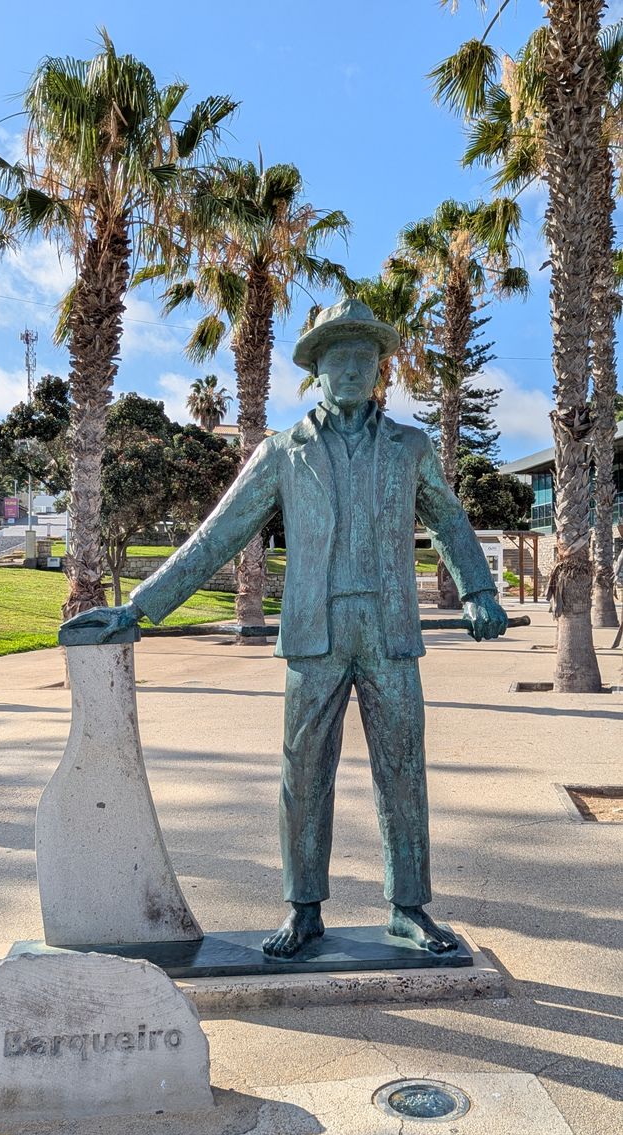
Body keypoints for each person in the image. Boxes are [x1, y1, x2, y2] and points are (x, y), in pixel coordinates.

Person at [64, 300, 507, 958]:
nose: (353, 371)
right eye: (339, 360)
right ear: (317, 372)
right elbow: (219, 533)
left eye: (365, 360)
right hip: (314, 632)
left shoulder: (409, 447)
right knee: (303, 775)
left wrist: (477, 589)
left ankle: (408, 907)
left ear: (379, 371)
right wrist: (140, 608)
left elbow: (446, 519)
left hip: (387, 631)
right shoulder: (283, 452)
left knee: (404, 771)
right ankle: (303, 909)